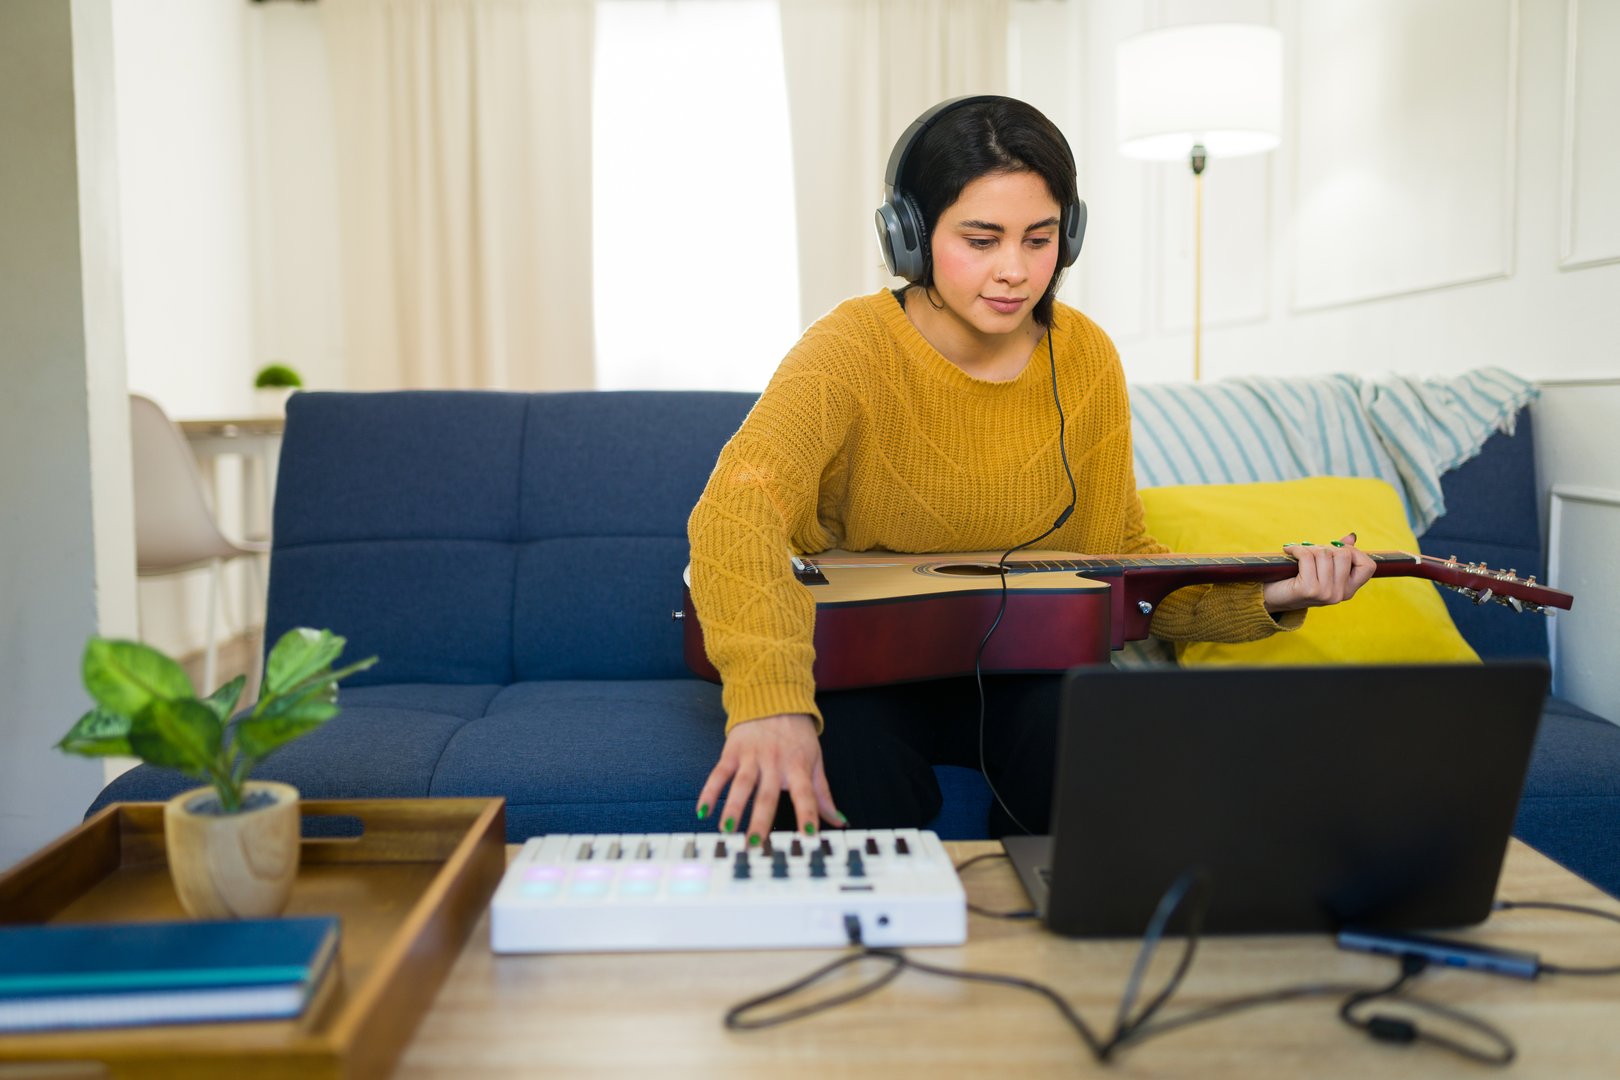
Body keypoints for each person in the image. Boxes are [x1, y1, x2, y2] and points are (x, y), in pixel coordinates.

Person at [685, 96, 1374, 844]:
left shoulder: (1085, 357)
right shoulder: (849, 348)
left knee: (1094, 749)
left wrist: (1273, 593)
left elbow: (1121, 566)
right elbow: (734, 512)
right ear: (909, 236)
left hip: (1027, 667)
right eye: (980, 240)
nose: (1014, 271)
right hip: (866, 664)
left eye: (1038, 239)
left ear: (1068, 237)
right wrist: (769, 701)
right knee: (853, 781)